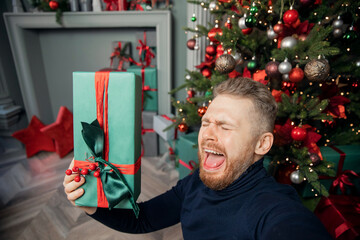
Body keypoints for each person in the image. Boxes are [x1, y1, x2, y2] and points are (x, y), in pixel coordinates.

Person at [64, 77, 332, 239]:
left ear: (262, 144)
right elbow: (143, 219)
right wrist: (89, 203)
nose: (208, 135)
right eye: (206, 123)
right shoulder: (195, 184)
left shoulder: (275, 211)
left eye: (225, 126)